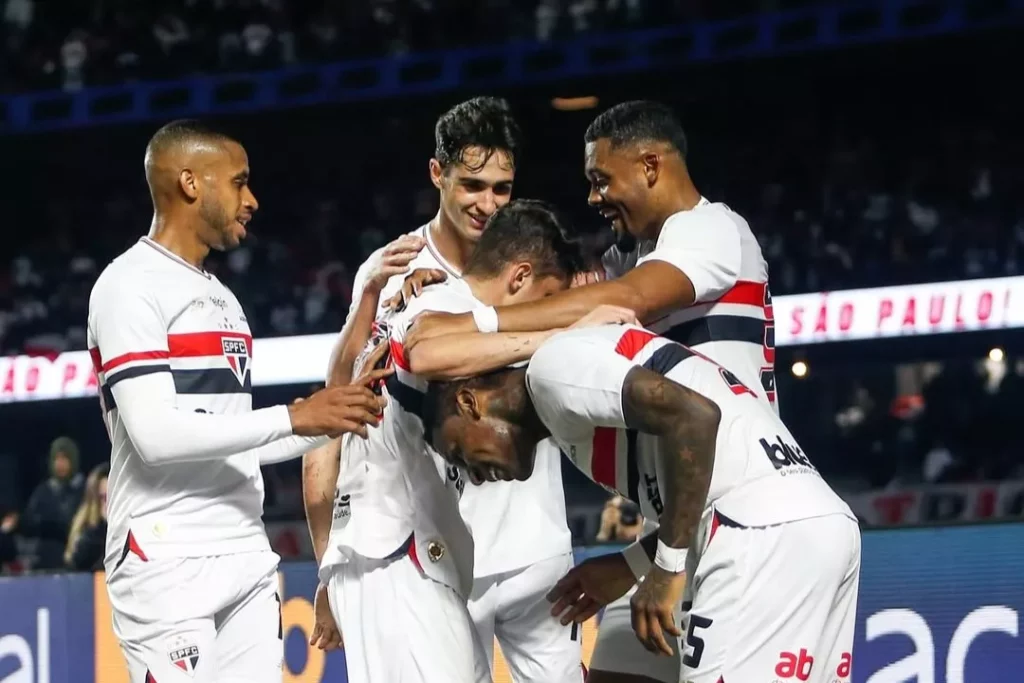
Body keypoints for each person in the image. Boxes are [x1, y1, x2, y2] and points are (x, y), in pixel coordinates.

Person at [401, 99, 776, 683]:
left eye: (602, 179)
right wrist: (433, 288)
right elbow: (569, 288)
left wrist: (478, 320)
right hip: (676, 524)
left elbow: (618, 305)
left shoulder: (709, 230)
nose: (594, 197)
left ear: (650, 165)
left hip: (737, 520)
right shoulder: (632, 255)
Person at [87, 119, 389, 683]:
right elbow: (156, 436)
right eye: (239, 182)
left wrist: (337, 414)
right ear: (191, 182)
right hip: (165, 553)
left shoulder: (221, 296)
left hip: (243, 545)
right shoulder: (128, 284)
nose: (252, 200)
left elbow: (233, 440)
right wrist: (294, 416)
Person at [303, 98, 584, 682]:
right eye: (472, 185)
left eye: (502, 189)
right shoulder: (394, 268)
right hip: (443, 553)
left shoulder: (532, 263)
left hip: (537, 543)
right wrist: (327, 564)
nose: (487, 204)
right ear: (438, 174)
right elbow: (337, 404)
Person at [426, 324, 861, 683]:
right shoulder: (563, 405)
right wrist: (634, 564)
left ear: (470, 403)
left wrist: (667, 568)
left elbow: (695, 416)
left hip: (757, 533)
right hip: (813, 521)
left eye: (460, 453)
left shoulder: (550, 370)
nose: (474, 475)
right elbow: (706, 477)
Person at [19, 436, 85, 570]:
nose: (60, 464)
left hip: (78, 562)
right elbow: (27, 523)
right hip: (45, 562)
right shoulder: (43, 491)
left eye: (64, 458)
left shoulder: (84, 490)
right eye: (56, 459)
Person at [65, 462, 110, 571]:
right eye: (103, 498)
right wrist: (103, 527)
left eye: (112, 497)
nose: (108, 504)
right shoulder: (86, 534)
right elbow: (77, 565)